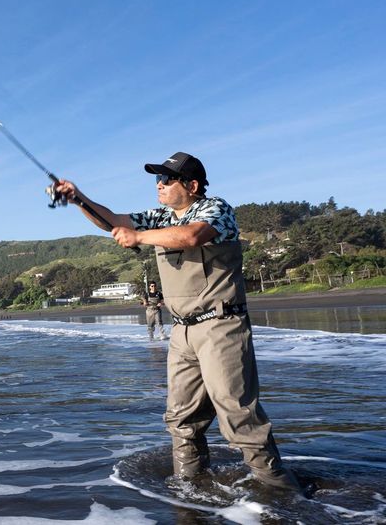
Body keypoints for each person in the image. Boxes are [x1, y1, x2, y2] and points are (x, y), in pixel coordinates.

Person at [55, 152, 300, 490]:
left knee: (239, 416)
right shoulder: (160, 216)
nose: (159, 184)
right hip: (181, 331)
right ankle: (190, 488)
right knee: (182, 418)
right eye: (158, 179)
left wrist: (139, 238)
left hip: (220, 326)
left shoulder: (217, 209)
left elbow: (191, 237)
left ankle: (282, 493)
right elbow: (112, 220)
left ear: (192, 185)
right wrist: (78, 198)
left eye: (167, 180)